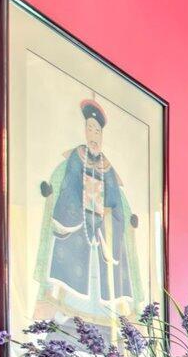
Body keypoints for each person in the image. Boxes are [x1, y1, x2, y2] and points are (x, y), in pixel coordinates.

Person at [37, 98, 139, 315]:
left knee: (107, 255)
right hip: (78, 219)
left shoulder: (107, 166)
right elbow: (69, 184)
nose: (94, 135)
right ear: (85, 131)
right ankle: (65, 302)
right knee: (72, 249)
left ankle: (102, 310)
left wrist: (109, 216)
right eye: (91, 129)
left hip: (103, 224)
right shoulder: (77, 156)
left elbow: (115, 198)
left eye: (97, 131)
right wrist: (80, 206)